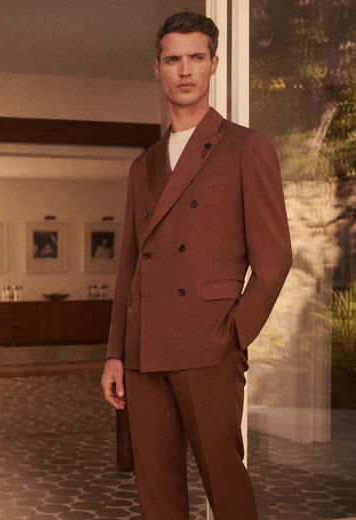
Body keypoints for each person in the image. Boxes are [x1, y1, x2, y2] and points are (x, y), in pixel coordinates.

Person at [100, 12, 292, 520]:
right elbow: (129, 268)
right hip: (144, 350)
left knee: (225, 486)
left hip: (209, 347)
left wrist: (232, 336)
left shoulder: (247, 148)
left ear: (213, 65)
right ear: (157, 69)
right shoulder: (143, 165)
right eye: (172, 59)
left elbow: (274, 260)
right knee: (156, 491)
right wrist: (115, 352)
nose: (184, 70)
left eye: (196, 58)